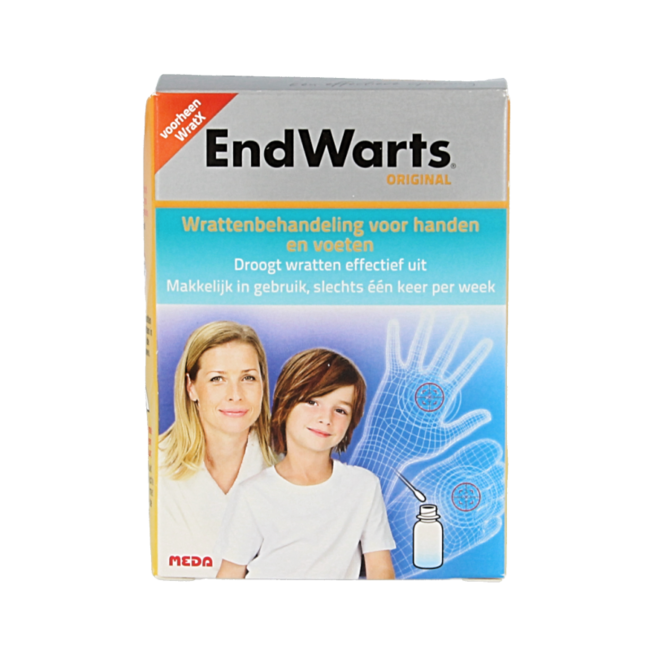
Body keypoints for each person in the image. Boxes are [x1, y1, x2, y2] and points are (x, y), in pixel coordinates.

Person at [217, 349, 396, 580]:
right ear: (286, 404)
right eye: (312, 402)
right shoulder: (252, 494)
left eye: (340, 410)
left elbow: (381, 570)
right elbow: (231, 572)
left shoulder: (364, 486)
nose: (326, 418)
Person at [157, 321, 274, 579]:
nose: (235, 394)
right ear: (191, 387)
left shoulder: (287, 465)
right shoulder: (156, 466)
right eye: (217, 379)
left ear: (263, 384)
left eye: (248, 378)